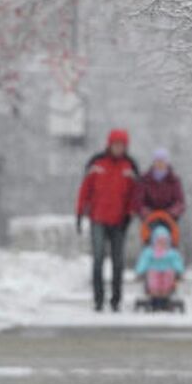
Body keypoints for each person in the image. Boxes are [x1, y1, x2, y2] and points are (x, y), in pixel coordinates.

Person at [76, 129, 138, 312]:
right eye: (115, 144)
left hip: (119, 221)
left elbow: (135, 195)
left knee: (118, 262)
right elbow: (85, 191)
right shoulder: (97, 164)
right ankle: (98, 299)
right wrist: (79, 213)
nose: (118, 148)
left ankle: (116, 299)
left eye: (121, 145)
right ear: (109, 145)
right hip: (98, 219)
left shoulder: (129, 167)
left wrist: (130, 214)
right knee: (98, 259)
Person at [135, 224, 185, 299]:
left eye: (164, 241)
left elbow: (176, 263)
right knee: (153, 277)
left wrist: (179, 271)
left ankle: (166, 293)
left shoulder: (171, 253)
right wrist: (139, 272)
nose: (161, 243)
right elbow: (143, 262)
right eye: (159, 241)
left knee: (168, 276)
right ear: (154, 241)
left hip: (168, 273)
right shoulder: (149, 253)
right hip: (153, 272)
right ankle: (154, 293)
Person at [134, 147, 185, 221]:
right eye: (157, 161)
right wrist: (145, 211)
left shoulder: (174, 180)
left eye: (162, 161)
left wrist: (171, 212)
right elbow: (139, 200)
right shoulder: (145, 179)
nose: (160, 164)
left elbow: (179, 202)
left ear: (167, 162)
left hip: (169, 220)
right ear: (153, 162)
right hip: (149, 220)